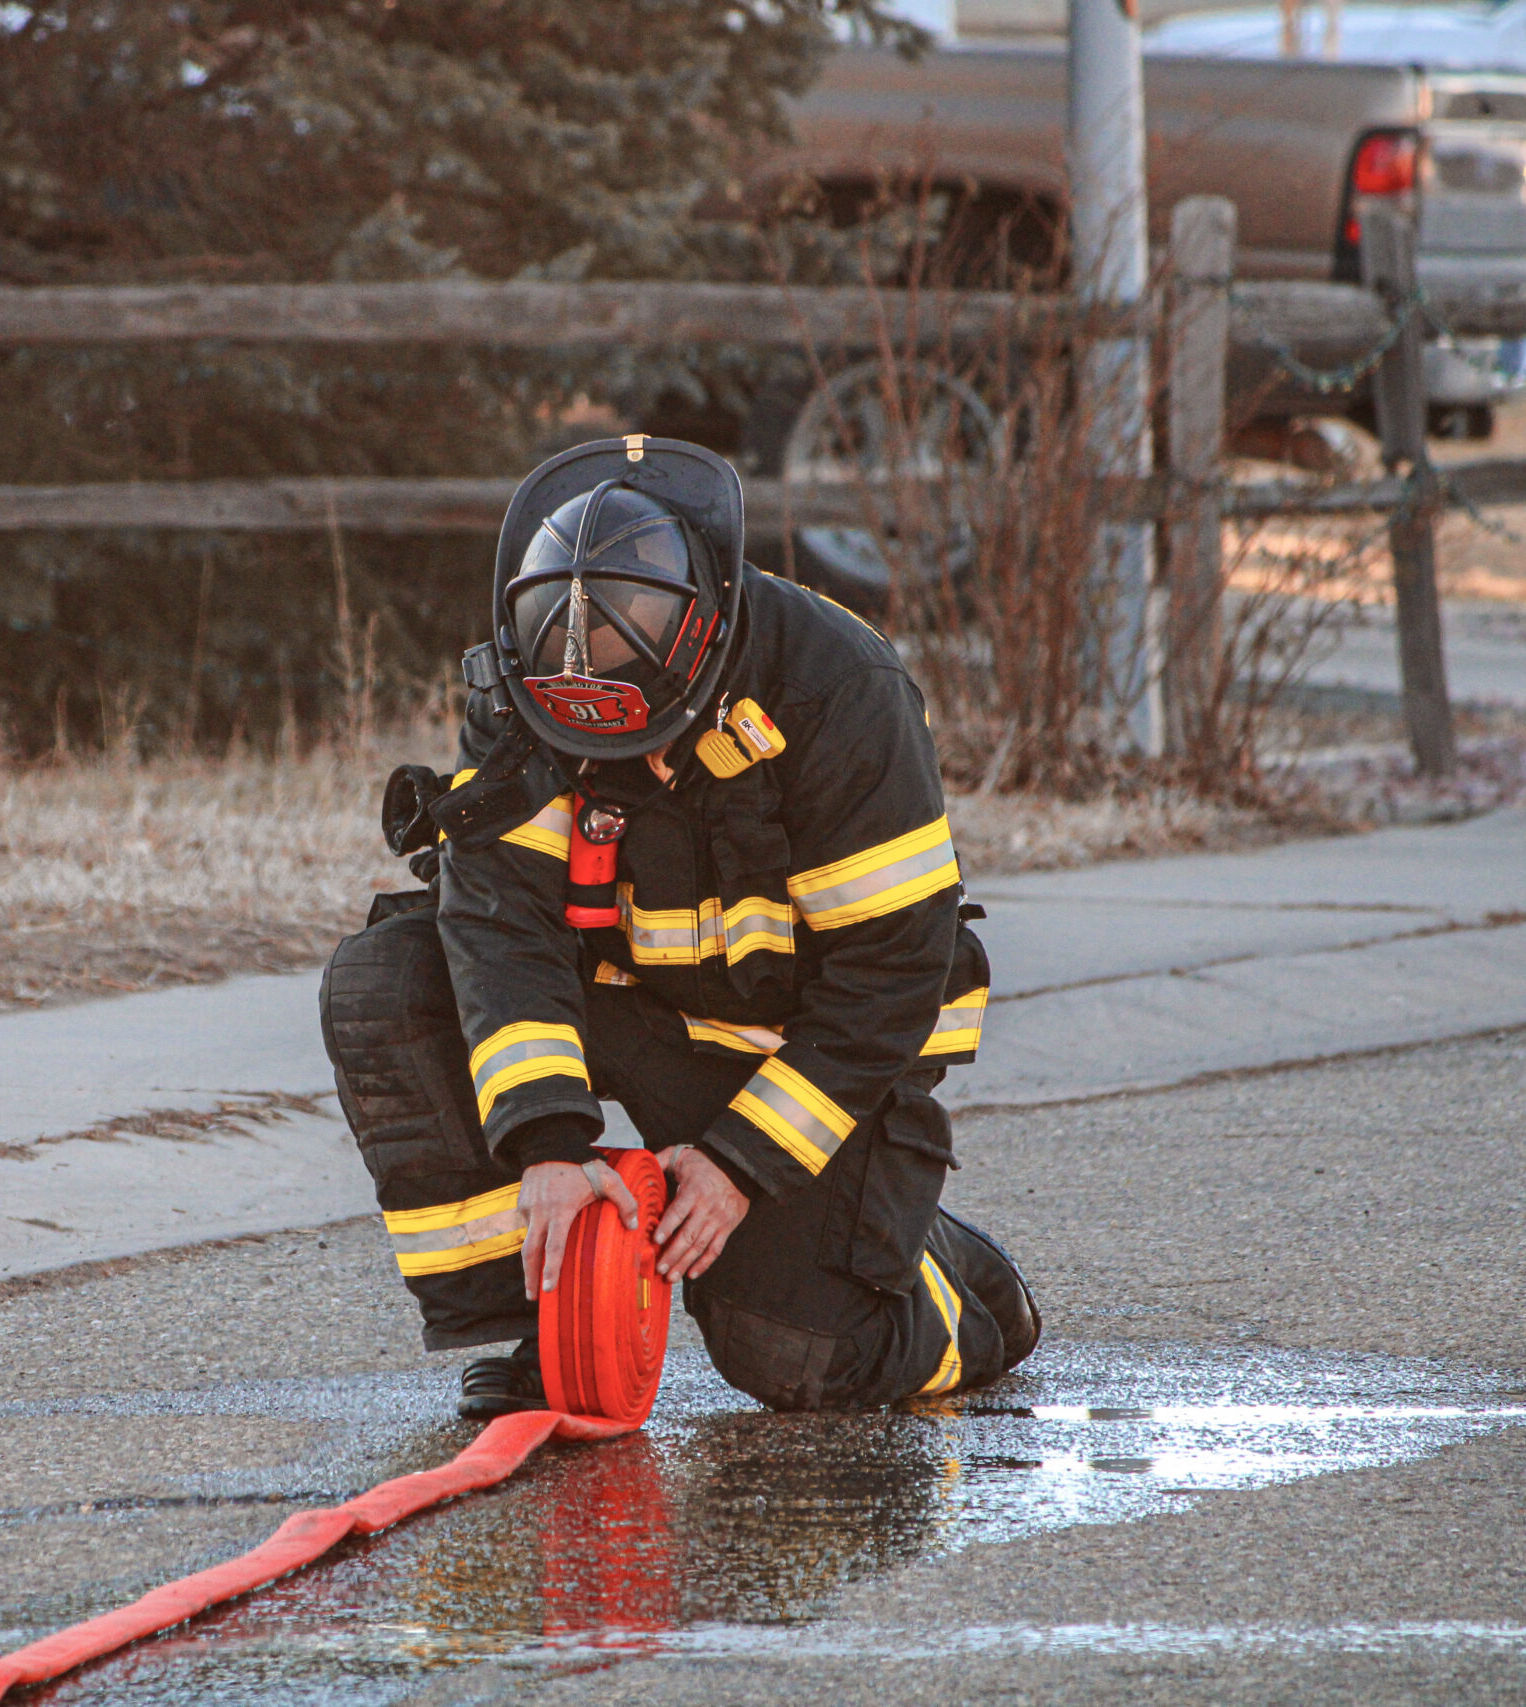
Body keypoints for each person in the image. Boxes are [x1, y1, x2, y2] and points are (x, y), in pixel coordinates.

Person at [320, 435, 1038, 1418]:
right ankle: (540, 1328)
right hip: (626, 1001)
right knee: (387, 987)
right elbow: (502, 927)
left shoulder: (835, 690)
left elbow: (890, 969)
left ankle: (950, 1283)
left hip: (802, 1046)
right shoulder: (524, 688)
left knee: (798, 1359)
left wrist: (742, 1162)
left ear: (701, 650)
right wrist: (547, 1150)